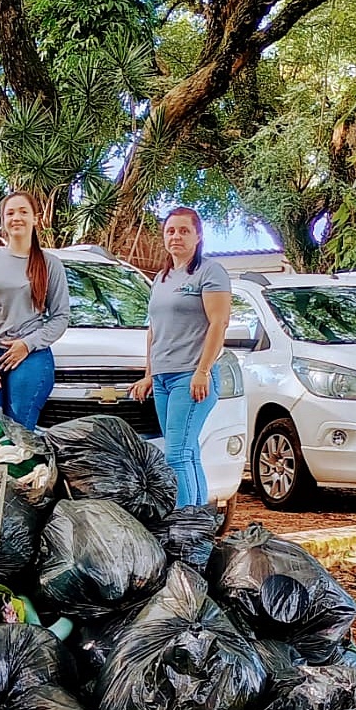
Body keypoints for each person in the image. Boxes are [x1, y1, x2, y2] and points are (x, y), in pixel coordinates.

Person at [129, 206, 232, 507]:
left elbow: (219, 323)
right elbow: (154, 330)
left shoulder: (210, 272)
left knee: (176, 455)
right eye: (171, 231)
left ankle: (184, 527)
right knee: (187, 452)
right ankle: (199, 527)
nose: (176, 236)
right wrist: (149, 374)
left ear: (198, 236)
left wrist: (202, 371)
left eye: (184, 230)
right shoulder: (162, 278)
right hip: (163, 377)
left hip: (191, 376)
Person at [0, 190, 71, 429]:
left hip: (30, 356)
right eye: (10, 213)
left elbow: (60, 316)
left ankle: (22, 467)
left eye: (23, 212)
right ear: (3, 221)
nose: (16, 217)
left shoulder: (50, 265)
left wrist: (27, 344)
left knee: (19, 428)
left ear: (35, 218)